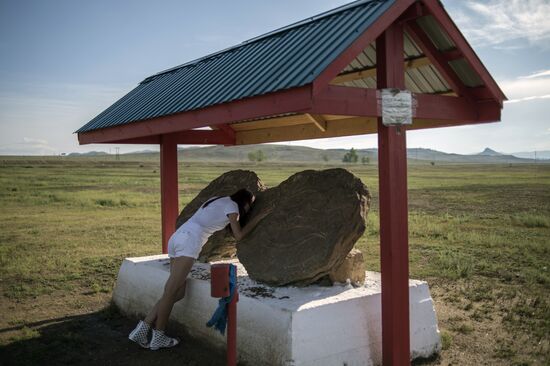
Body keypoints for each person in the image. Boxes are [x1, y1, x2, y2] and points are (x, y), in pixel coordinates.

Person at [128, 188, 270, 350]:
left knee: (178, 292)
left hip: (177, 237)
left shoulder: (218, 199)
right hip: (190, 241)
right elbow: (239, 235)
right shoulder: (233, 207)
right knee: (170, 292)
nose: (248, 209)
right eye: (249, 205)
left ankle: (142, 329)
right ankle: (158, 336)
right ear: (244, 202)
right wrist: (258, 218)